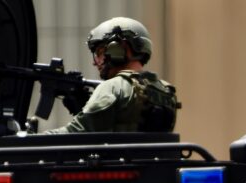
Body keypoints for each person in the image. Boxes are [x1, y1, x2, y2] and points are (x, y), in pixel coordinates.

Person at [47, 17, 179, 134]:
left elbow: (74, 135)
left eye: (99, 52)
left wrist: (30, 137)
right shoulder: (166, 91)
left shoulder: (113, 88)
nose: (95, 62)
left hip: (117, 162)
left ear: (118, 47)